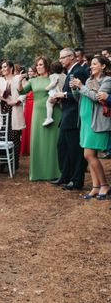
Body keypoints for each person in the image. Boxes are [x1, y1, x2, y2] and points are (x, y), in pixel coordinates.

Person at [70, 56, 111, 199]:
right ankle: (95, 187)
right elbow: (81, 98)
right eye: (91, 64)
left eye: (94, 64)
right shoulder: (88, 80)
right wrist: (76, 90)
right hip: (85, 122)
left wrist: (81, 87)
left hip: (97, 122)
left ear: (103, 66)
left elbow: (97, 97)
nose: (91, 66)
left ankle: (105, 185)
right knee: (89, 156)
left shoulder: (107, 81)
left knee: (89, 154)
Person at [51, 48, 89, 189]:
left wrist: (64, 95)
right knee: (62, 147)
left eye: (62, 57)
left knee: (75, 150)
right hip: (66, 116)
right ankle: (65, 176)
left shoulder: (78, 71)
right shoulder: (70, 72)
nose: (60, 60)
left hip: (74, 117)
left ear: (71, 57)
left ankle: (76, 180)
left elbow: (82, 95)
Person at [19, 56, 61, 181]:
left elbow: (59, 91)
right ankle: (38, 173)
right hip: (37, 113)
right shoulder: (33, 80)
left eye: (41, 64)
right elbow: (21, 92)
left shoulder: (53, 78)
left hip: (54, 112)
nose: (38, 67)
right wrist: (20, 81)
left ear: (47, 65)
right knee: (38, 142)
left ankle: (56, 172)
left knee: (53, 142)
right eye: (37, 65)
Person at [0, 60, 24, 169]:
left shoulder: (18, 79)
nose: (2, 69)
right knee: (3, 135)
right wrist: (4, 97)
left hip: (14, 108)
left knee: (14, 136)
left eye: (5, 67)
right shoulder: (0, 80)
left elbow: (24, 94)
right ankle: (3, 163)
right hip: (3, 109)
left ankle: (14, 163)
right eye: (2, 67)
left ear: (11, 68)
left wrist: (16, 101)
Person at [20, 66, 36, 157]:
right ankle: (26, 148)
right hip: (27, 105)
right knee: (27, 126)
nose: (30, 73)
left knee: (32, 125)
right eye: (29, 71)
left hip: (34, 105)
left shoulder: (35, 81)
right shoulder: (27, 82)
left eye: (31, 71)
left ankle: (32, 148)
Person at [43, 61, 65, 126]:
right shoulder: (65, 75)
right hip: (62, 92)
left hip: (55, 93)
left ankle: (49, 118)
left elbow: (53, 84)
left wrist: (46, 88)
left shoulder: (52, 76)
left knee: (49, 104)